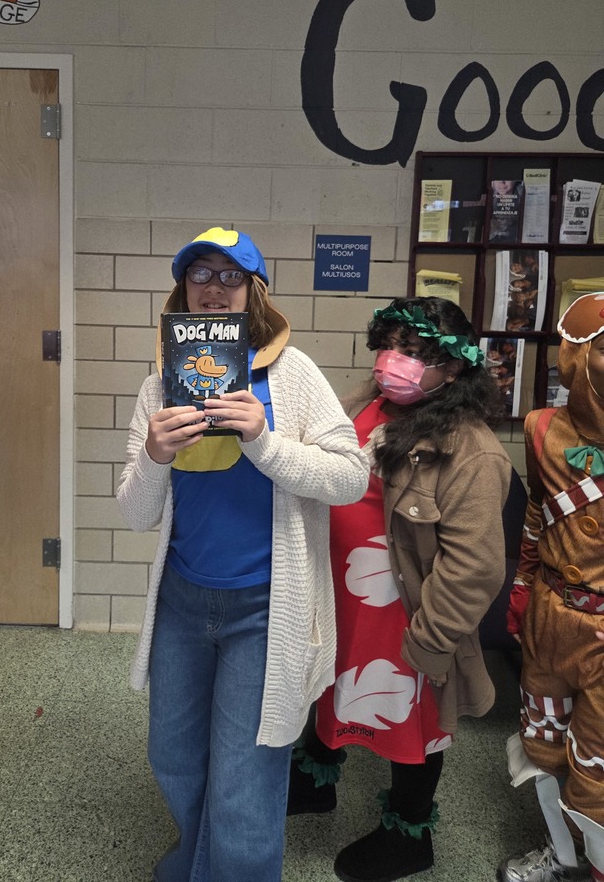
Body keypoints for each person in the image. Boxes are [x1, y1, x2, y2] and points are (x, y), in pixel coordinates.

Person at [117, 226, 370, 882]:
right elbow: (137, 514)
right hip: (182, 602)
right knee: (173, 757)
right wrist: (155, 454)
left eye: (230, 276)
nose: (213, 287)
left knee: (243, 779)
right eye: (200, 274)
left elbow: (351, 477)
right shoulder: (159, 386)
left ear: (253, 293)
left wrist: (265, 440)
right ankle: (204, 860)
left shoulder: (294, 377)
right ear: (183, 291)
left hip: (266, 611)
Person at [287, 296, 512, 882]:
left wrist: (430, 643)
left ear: (454, 367)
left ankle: (409, 833)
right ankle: (316, 780)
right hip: (342, 597)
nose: (394, 361)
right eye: (390, 346)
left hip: (407, 614)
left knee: (414, 720)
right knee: (329, 686)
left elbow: (475, 569)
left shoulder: (473, 451)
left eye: (415, 354)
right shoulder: (367, 402)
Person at [498, 292, 604, 882]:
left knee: (600, 771)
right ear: (576, 356)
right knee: (543, 750)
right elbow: (538, 518)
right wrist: (521, 595)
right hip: (551, 616)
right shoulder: (543, 430)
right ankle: (562, 858)